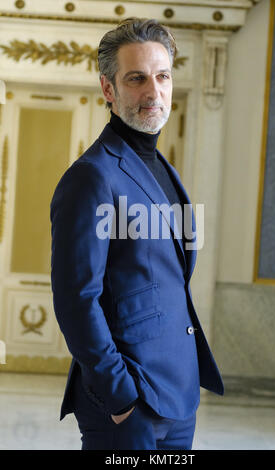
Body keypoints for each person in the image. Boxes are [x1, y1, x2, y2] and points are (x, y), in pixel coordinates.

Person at [50, 17, 224, 451]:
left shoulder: (164, 171)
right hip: (128, 404)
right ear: (108, 90)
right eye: (136, 78)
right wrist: (122, 397)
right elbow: (76, 298)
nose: (153, 91)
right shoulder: (91, 177)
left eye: (162, 76)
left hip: (178, 398)